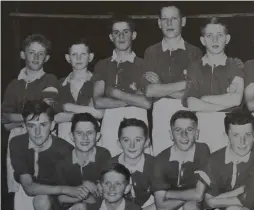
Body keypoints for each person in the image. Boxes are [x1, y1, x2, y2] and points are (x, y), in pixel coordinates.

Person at [9, 100, 77, 210]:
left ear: (53, 125)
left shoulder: (65, 149)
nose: (37, 131)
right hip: (31, 195)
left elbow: (74, 191)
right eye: (31, 126)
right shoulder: (17, 143)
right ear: (24, 126)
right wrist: (63, 189)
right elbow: (29, 188)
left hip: (57, 204)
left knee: (42, 202)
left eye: (43, 125)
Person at [2, 34, 58, 194]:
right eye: (32, 52)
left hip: (43, 140)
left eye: (41, 54)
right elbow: (5, 122)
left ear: (46, 58)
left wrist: (15, 117)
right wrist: (28, 119)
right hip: (16, 139)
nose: (36, 57)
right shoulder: (13, 85)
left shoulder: (50, 80)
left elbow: (46, 115)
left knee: (43, 191)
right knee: (17, 192)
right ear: (22, 54)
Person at [93, 14, 152, 156]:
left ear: (134, 35)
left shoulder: (145, 64)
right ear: (111, 37)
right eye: (116, 32)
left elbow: (147, 103)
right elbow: (98, 102)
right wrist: (133, 99)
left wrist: (114, 93)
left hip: (138, 127)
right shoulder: (102, 64)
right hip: (110, 128)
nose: (121, 36)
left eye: (125, 32)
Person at [54, 113, 112, 210]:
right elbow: (60, 198)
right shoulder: (62, 160)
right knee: (79, 208)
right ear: (71, 136)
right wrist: (85, 188)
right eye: (79, 133)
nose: (85, 138)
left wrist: (81, 195)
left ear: (97, 136)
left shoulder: (104, 155)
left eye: (90, 133)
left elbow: (106, 192)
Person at [182, 17, 244, 112]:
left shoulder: (235, 63)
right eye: (209, 36)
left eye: (219, 35)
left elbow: (236, 99)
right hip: (202, 122)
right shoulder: (194, 66)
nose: (215, 40)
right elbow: (191, 103)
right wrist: (221, 109)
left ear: (227, 39)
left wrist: (203, 99)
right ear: (203, 40)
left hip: (230, 123)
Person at [143, 4, 203, 100]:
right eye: (164, 19)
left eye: (174, 18)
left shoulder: (195, 52)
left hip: (186, 111)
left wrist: (160, 86)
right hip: (160, 110)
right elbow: (149, 91)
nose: (169, 23)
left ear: (183, 21)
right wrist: (184, 84)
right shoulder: (150, 52)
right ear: (159, 23)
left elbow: (194, 94)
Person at [54, 39, 104, 145]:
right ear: (68, 58)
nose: (78, 58)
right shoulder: (59, 84)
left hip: (90, 139)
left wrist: (67, 107)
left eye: (83, 54)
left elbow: (99, 113)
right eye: (74, 54)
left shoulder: (98, 81)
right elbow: (55, 117)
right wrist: (89, 111)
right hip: (64, 138)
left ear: (90, 57)